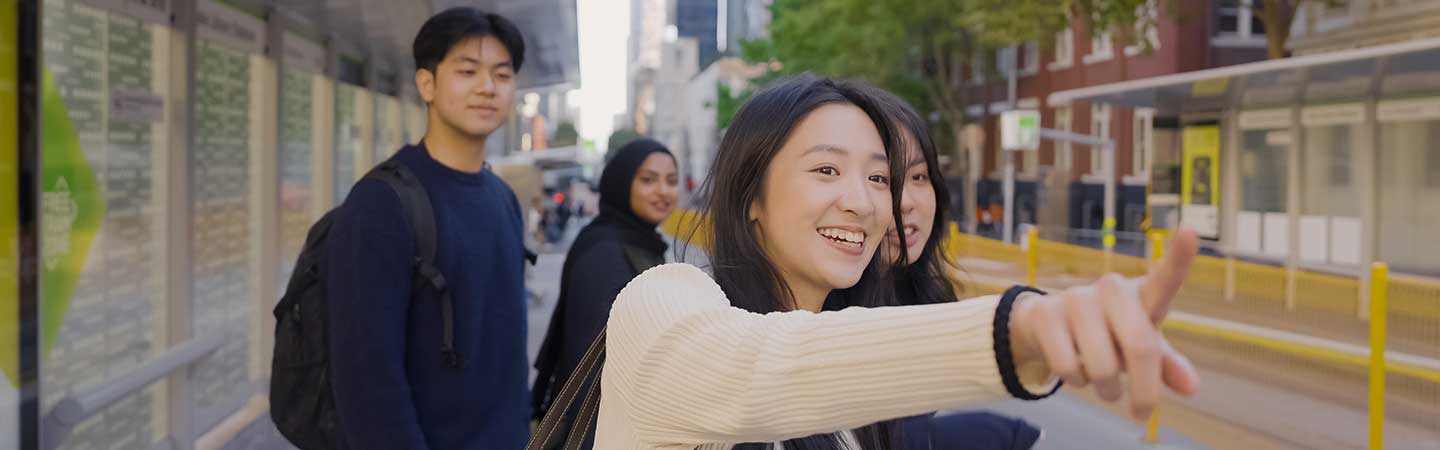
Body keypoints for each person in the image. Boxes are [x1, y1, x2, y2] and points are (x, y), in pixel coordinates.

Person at [595, 74, 1202, 449]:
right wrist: (1019, 329)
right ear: (751, 195)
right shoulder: (663, 301)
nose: (862, 202)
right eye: (826, 169)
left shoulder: (856, 396)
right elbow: (761, 367)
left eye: (879, 177)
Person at [324, 7, 531, 449]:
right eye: (467, 70)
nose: (487, 87)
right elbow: (366, 381)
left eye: (502, 73)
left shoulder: (502, 198)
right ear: (426, 84)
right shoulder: (381, 204)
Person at [845, 86, 1041, 450]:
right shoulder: (809, 310)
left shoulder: (917, 293)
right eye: (881, 179)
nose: (906, 202)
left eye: (919, 177)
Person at [532, 138, 680, 449]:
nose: (663, 191)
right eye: (648, 180)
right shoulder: (605, 252)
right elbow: (590, 365)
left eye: (671, 180)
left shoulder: (640, 242)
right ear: (621, 183)